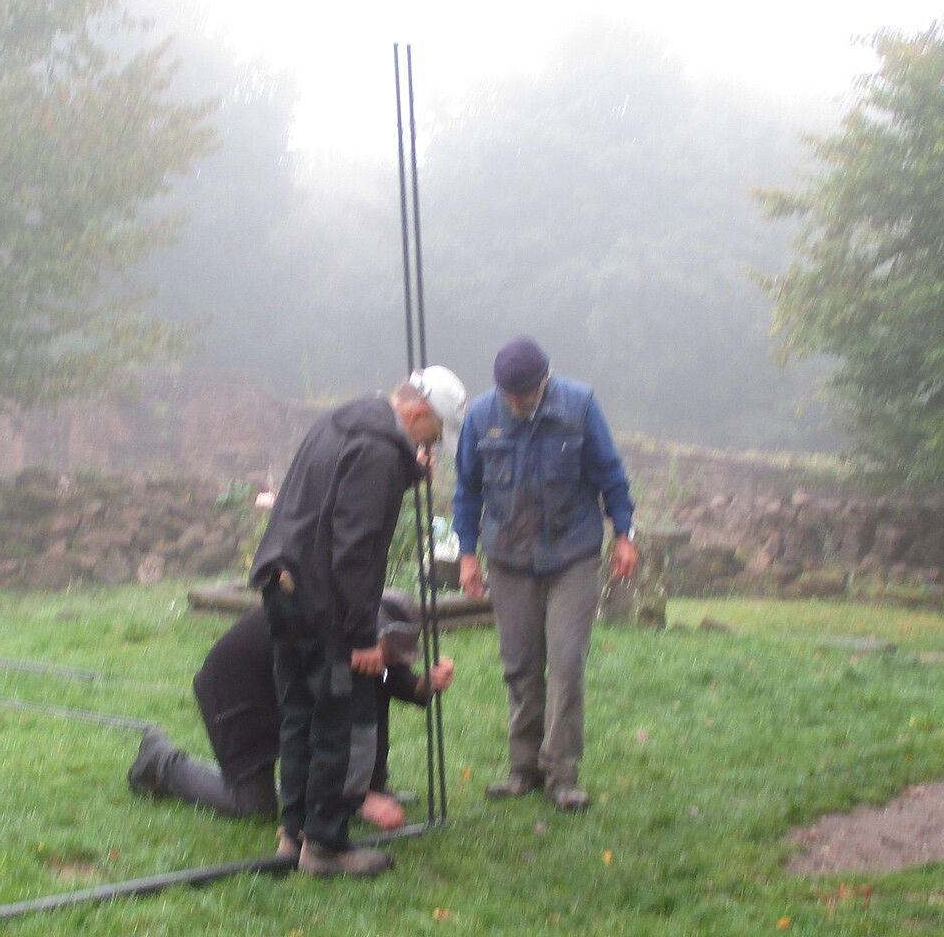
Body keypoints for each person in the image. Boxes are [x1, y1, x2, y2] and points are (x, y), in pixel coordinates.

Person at [249, 367, 466, 877]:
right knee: (336, 722)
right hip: (323, 600)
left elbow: (337, 498)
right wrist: (362, 633)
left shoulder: (343, 421)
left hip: (284, 586)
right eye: (433, 434)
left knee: (298, 716)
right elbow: (355, 548)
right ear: (418, 413)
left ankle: (293, 834)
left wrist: (407, 473)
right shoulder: (377, 452)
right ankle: (325, 846)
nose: (430, 445)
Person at [453, 336, 636, 812]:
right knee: (520, 666)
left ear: (545, 381)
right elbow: (467, 490)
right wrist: (467, 554)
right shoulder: (481, 416)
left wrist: (624, 534)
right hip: (509, 558)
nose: (517, 404)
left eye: (526, 394)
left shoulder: (580, 407)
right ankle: (523, 769)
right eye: (510, 396)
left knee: (567, 661)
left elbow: (611, 475)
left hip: (572, 554)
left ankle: (562, 774)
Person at [127, 591, 456, 829]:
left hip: (282, 689)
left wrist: (421, 685)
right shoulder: (327, 639)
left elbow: (384, 676)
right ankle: (161, 761)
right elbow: (329, 728)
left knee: (368, 679)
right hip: (237, 696)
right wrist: (353, 797)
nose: (396, 660)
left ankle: (370, 786)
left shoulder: (357, 634)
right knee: (254, 807)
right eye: (392, 651)